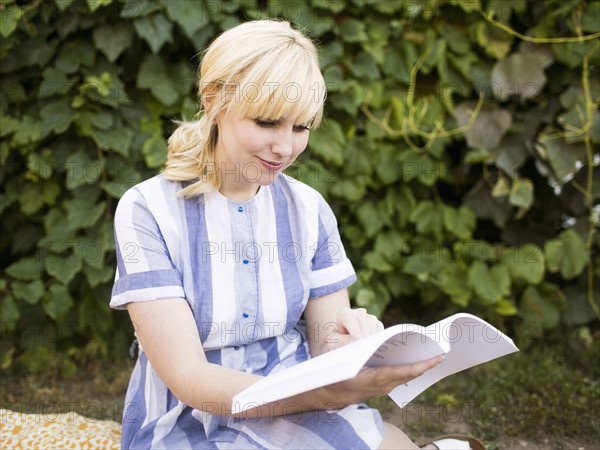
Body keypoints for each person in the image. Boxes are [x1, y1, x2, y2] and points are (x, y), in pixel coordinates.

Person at [110, 19, 484, 450]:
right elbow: (191, 379)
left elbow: (326, 349)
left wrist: (351, 351)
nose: (285, 148)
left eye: (301, 127)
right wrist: (327, 393)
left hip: (298, 405)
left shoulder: (309, 209)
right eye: (267, 123)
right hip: (189, 419)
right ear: (213, 100)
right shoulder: (147, 210)